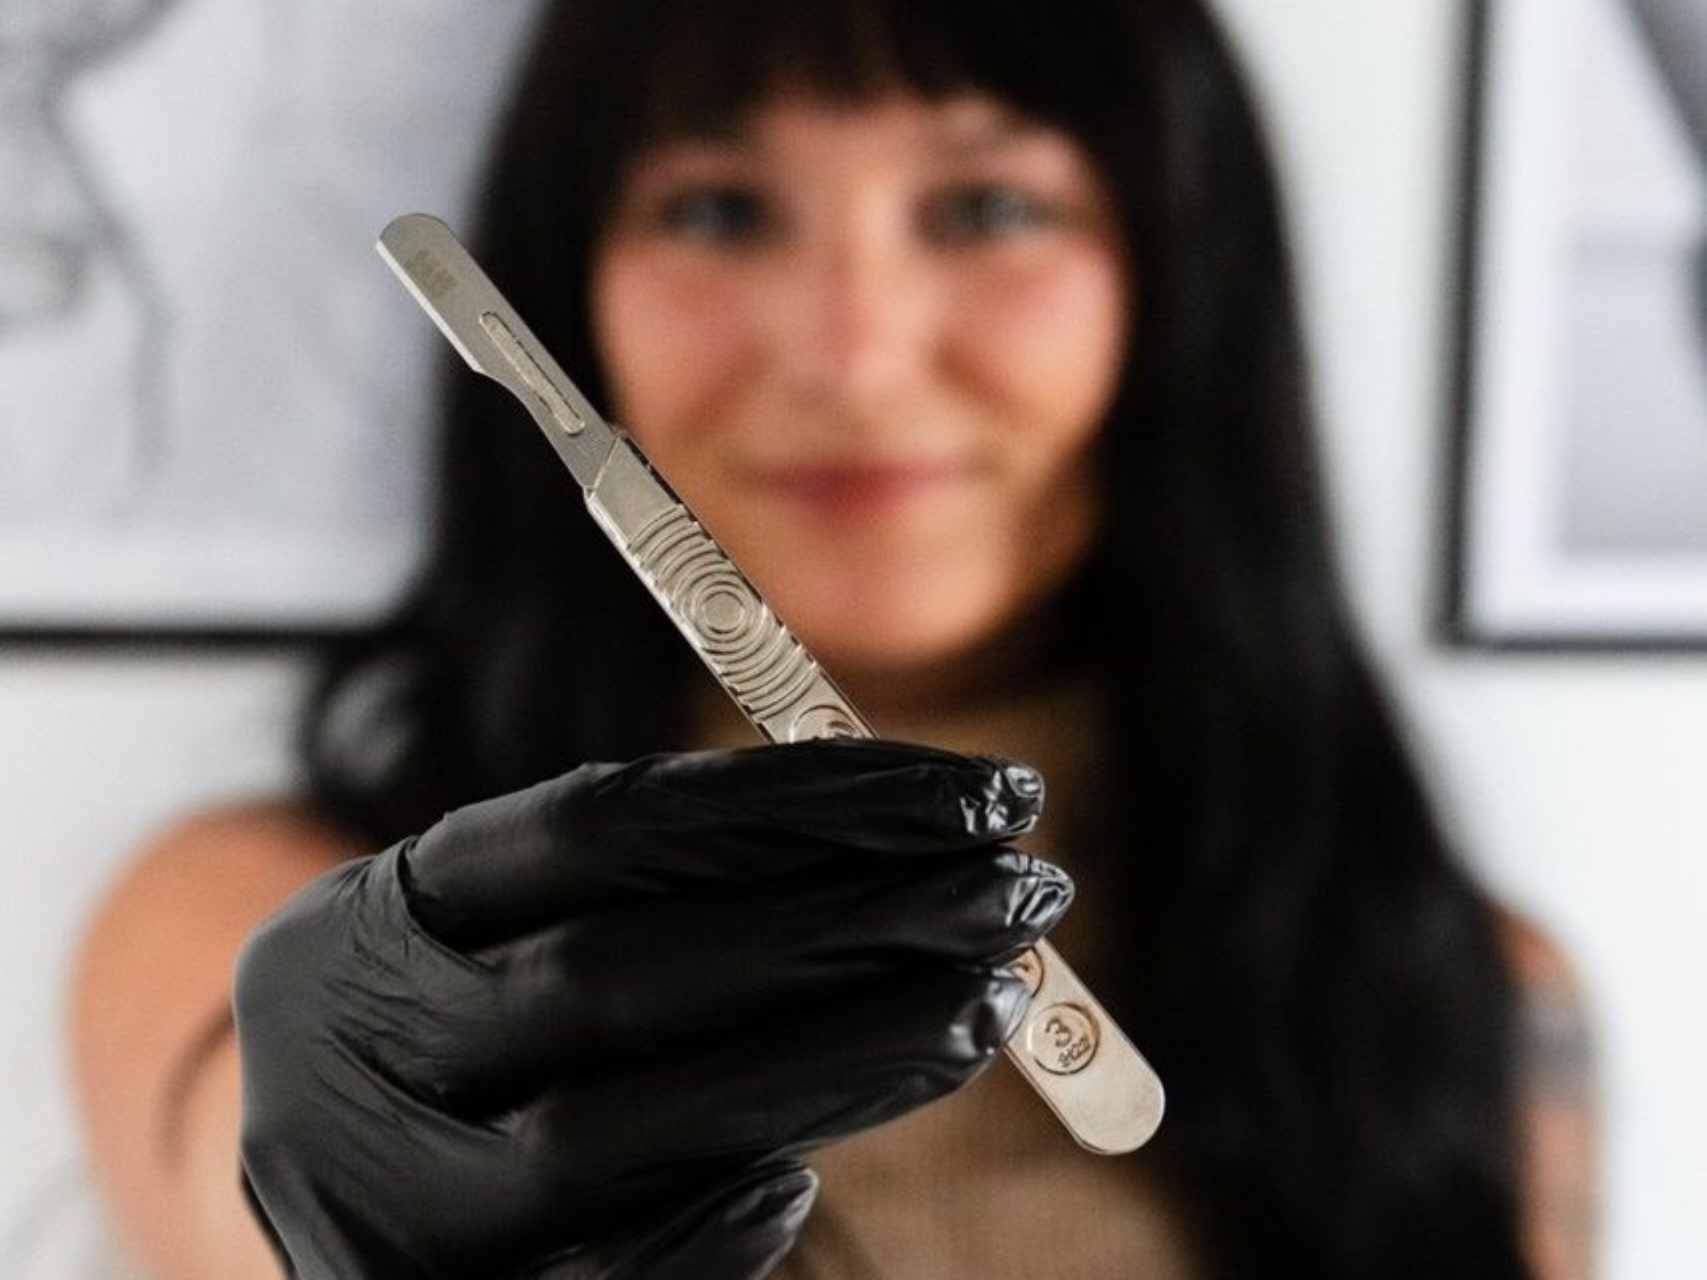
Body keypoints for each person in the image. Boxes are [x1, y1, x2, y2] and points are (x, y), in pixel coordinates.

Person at [69, 0, 1598, 1276]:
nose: (852, 352)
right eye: (718, 209)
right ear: (572, 284)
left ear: (1178, 281)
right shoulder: (246, 921)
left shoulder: (1459, 994)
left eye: (987, 206)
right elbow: (235, 1184)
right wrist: (345, 1184)